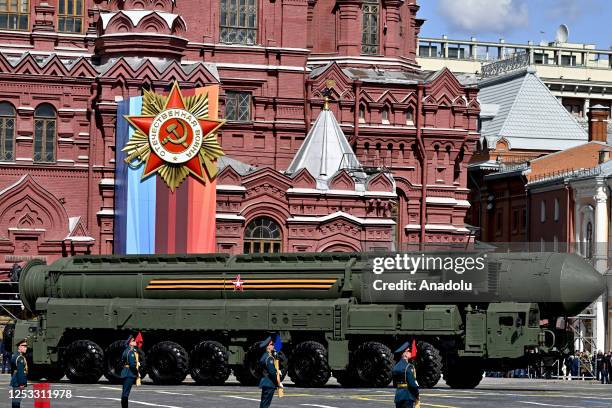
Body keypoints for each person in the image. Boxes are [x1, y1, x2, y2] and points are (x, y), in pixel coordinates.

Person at [392, 341, 419, 408]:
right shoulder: (408, 367)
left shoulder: (395, 367)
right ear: (405, 354)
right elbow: (412, 384)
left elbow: (395, 384)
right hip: (407, 396)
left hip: (398, 396)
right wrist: (417, 394)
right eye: (409, 351)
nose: (411, 353)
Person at [258, 336, 282, 408]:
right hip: (269, 383)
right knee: (265, 405)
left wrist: (277, 371)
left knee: (263, 404)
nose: (273, 346)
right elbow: (272, 372)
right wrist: (278, 382)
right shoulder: (269, 358)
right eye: (272, 344)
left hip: (265, 383)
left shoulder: (264, 356)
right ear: (268, 346)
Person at [120, 335, 140, 408]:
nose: (135, 342)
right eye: (133, 341)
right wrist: (137, 372)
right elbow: (132, 365)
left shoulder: (126, 351)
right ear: (130, 343)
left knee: (125, 392)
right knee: (126, 393)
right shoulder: (130, 352)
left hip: (125, 372)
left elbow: (121, 363)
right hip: (129, 373)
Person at [10, 339, 28, 408]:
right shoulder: (20, 358)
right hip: (18, 382)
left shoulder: (15, 356)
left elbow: (13, 370)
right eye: (24, 346)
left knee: (15, 400)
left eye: (26, 346)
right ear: (19, 347)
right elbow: (20, 372)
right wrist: (22, 384)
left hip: (15, 381)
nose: (26, 347)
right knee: (17, 401)